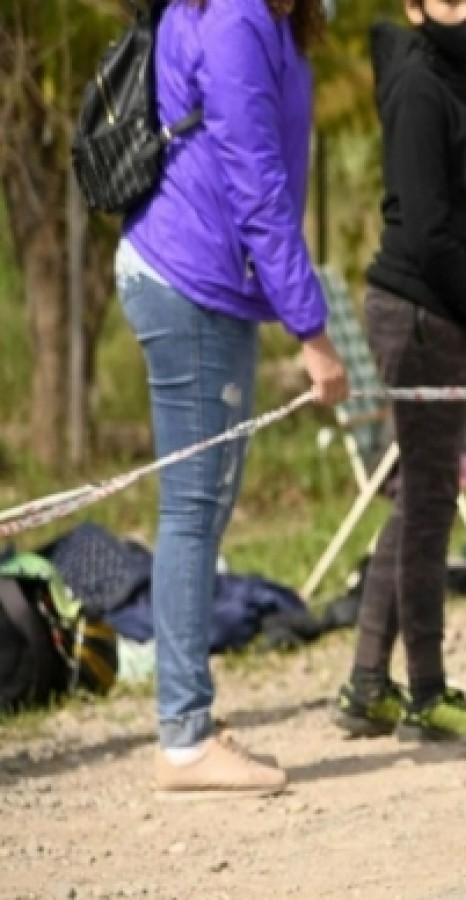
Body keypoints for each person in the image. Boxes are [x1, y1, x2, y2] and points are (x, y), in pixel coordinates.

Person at [118, 0, 347, 794]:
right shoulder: (234, 18)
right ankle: (183, 737)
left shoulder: (271, 17)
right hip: (190, 282)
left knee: (205, 506)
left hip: (212, 286)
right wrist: (312, 332)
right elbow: (258, 186)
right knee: (192, 507)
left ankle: (189, 720)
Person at [331, 0, 466, 744]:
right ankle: (424, 692)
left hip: (448, 314)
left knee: (419, 498)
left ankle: (365, 687)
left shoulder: (463, 83)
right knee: (429, 503)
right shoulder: (419, 87)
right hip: (417, 316)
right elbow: (429, 236)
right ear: (415, 8)